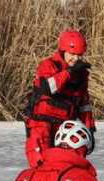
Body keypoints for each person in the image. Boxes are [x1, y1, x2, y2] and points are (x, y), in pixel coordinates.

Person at [23, 30, 94, 167]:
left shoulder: (82, 74)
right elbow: (49, 88)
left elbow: (84, 103)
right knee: (41, 167)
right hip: (41, 126)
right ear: (62, 51)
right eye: (72, 54)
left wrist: (89, 129)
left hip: (65, 128)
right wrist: (69, 72)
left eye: (80, 55)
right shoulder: (47, 65)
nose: (76, 59)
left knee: (67, 167)